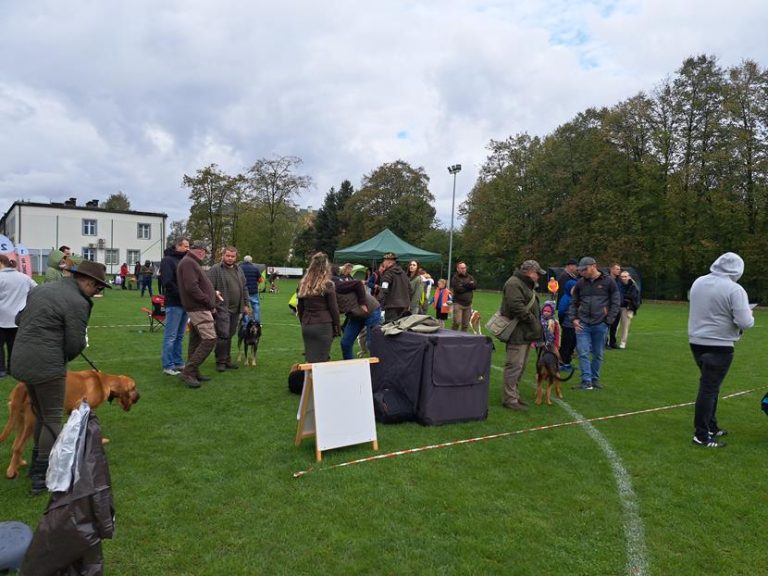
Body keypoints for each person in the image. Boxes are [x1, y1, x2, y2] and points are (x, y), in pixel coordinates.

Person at [10, 260, 111, 493]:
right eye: (98, 287)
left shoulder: (42, 288)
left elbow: (18, 319)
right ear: (87, 281)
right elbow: (75, 343)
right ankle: (41, 473)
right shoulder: (78, 301)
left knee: (39, 413)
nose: (98, 292)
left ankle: (36, 461)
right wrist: (59, 353)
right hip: (47, 366)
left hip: (21, 360)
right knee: (52, 418)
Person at [688, 252, 754, 448]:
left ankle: (711, 426)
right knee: (708, 388)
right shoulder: (735, 289)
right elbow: (745, 321)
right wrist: (749, 313)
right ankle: (701, 435)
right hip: (720, 344)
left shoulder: (699, 282)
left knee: (711, 386)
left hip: (697, 341)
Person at [568, 256, 620, 390]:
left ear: (593, 266)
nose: (582, 272)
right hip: (583, 324)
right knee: (583, 352)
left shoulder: (609, 282)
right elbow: (574, 302)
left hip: (600, 324)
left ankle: (595, 379)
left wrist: (608, 321)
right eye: (581, 270)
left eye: (584, 269)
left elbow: (615, 303)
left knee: (598, 354)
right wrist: (574, 319)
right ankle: (586, 381)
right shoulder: (580, 283)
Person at [500, 260, 545, 411]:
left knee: (521, 366)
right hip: (517, 332)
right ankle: (509, 398)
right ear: (529, 272)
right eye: (537, 273)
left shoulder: (523, 283)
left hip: (525, 332)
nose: (538, 276)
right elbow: (516, 306)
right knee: (514, 365)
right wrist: (533, 321)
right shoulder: (514, 283)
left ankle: (514, 395)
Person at [176, 242, 217, 388]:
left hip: (197, 307)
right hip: (198, 308)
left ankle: (193, 371)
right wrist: (208, 301)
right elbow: (191, 287)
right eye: (205, 252)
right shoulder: (189, 263)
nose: (205, 255)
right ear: (200, 251)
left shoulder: (189, 262)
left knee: (196, 339)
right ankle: (189, 371)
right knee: (210, 339)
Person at [207, 246, 249, 372]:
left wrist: (246, 304)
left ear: (236, 257)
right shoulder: (216, 269)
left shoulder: (239, 270)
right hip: (222, 308)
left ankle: (227, 359)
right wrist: (213, 303)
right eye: (228, 256)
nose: (230, 258)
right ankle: (220, 361)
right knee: (223, 334)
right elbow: (208, 287)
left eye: (233, 256)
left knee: (230, 334)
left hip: (236, 308)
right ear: (223, 256)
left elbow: (245, 287)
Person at [297, 252, 340, 363]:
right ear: (326, 267)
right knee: (322, 362)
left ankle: (307, 380)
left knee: (310, 361)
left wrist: (303, 323)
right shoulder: (328, 284)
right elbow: (334, 309)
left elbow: (300, 308)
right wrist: (337, 327)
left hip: (307, 325)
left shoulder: (303, 284)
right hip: (323, 325)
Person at [0, 254, 37, 378]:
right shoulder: (24, 278)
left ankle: (1, 370)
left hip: (1, 317)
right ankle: (12, 368)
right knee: (14, 346)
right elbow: (37, 290)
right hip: (19, 317)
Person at [160, 238, 190, 376]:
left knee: (180, 336)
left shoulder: (185, 260)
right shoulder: (168, 260)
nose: (188, 249)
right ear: (178, 246)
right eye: (185, 246)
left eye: (188, 246)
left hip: (185, 303)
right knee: (170, 336)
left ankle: (178, 362)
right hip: (174, 303)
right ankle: (168, 365)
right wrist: (181, 294)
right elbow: (167, 281)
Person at [377, 252, 410, 323]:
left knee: (390, 328)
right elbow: (410, 288)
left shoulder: (388, 273)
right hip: (404, 305)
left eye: (384, 261)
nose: (383, 263)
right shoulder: (403, 273)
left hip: (392, 306)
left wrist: (378, 302)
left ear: (389, 262)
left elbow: (384, 289)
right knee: (401, 328)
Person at [556, 278, 578, 369]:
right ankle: (560, 363)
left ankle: (567, 362)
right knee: (566, 344)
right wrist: (563, 322)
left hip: (575, 326)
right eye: (573, 288)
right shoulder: (566, 298)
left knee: (572, 344)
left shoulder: (576, 299)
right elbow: (561, 312)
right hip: (567, 325)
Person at [617, 270, 641, 349]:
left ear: (629, 277)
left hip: (627, 308)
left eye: (625, 276)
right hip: (617, 306)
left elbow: (636, 299)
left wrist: (631, 309)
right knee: (615, 326)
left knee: (625, 326)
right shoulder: (618, 284)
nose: (623, 278)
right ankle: (610, 341)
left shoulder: (633, 286)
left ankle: (623, 342)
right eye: (622, 276)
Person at [451, 261, 476, 331]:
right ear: (457, 269)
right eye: (461, 268)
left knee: (465, 325)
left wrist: (463, 284)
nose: (463, 269)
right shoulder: (455, 278)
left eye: (464, 268)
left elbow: (474, 286)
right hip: (458, 303)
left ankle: (463, 338)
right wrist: (469, 285)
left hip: (468, 304)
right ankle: (451, 336)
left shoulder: (470, 277)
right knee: (457, 322)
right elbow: (458, 289)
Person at [241, 255, 263, 323]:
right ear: (251, 261)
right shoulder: (255, 268)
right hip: (253, 291)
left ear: (244, 260)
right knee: (256, 306)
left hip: (243, 291)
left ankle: (246, 322)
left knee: (245, 306)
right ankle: (257, 322)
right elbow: (260, 280)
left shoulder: (240, 268)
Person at [607, 262, 622, 349]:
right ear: (612, 269)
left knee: (615, 326)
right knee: (607, 325)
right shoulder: (607, 280)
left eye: (619, 269)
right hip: (609, 306)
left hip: (617, 306)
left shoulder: (619, 281)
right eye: (617, 269)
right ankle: (605, 342)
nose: (619, 271)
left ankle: (613, 342)